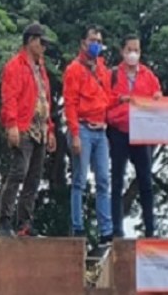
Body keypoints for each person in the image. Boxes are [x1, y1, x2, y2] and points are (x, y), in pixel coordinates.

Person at [0, 23, 57, 237]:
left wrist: (50, 129)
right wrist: (11, 124)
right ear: (31, 40)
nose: (44, 47)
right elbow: (9, 96)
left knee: (33, 177)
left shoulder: (41, 68)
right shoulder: (15, 65)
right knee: (18, 172)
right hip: (23, 126)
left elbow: (45, 99)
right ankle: (4, 220)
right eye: (41, 42)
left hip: (39, 128)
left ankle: (25, 223)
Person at [106, 34, 162, 238]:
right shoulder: (112, 74)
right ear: (122, 51)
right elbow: (105, 99)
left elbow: (158, 97)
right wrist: (121, 98)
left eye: (136, 50)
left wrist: (157, 97)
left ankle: (150, 229)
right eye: (129, 49)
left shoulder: (148, 75)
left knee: (146, 181)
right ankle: (116, 230)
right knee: (117, 180)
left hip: (142, 132)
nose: (133, 54)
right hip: (119, 130)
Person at [63, 25, 113, 249]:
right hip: (82, 128)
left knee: (103, 180)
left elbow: (108, 97)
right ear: (83, 43)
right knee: (80, 180)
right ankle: (78, 227)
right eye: (93, 40)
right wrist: (74, 134)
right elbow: (70, 104)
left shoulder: (102, 68)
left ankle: (106, 231)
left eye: (99, 40)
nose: (96, 44)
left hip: (101, 130)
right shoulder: (74, 69)